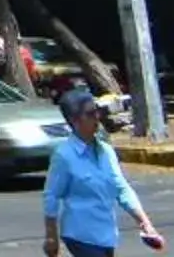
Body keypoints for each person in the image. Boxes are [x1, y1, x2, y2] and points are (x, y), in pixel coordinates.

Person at [45, 84, 164, 256]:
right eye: (90, 114)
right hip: (80, 235)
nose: (97, 118)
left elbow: (121, 188)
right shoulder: (64, 156)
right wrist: (51, 236)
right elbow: (52, 195)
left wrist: (145, 223)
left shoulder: (106, 151)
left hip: (106, 235)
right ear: (74, 120)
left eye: (97, 112)